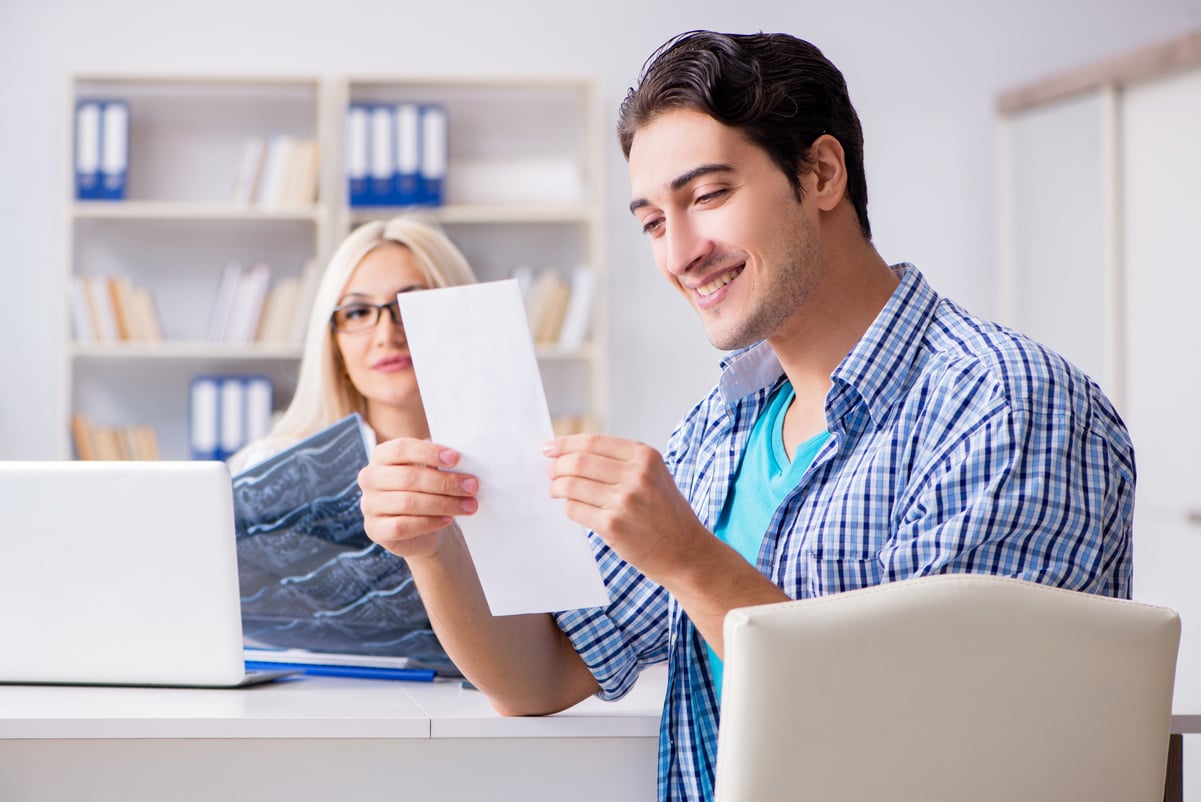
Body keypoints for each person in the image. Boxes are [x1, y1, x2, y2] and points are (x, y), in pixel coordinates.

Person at [358, 31, 1134, 801]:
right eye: (654, 222)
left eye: (706, 196)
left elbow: (944, 748)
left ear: (821, 173)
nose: (679, 253)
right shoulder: (720, 427)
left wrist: (690, 561)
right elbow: (539, 675)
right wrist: (431, 548)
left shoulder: (1004, 406)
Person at [230, 214, 478, 672]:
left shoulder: (519, 469)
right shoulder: (266, 464)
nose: (387, 335)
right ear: (335, 345)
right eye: (359, 312)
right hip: (305, 703)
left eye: (412, 304)